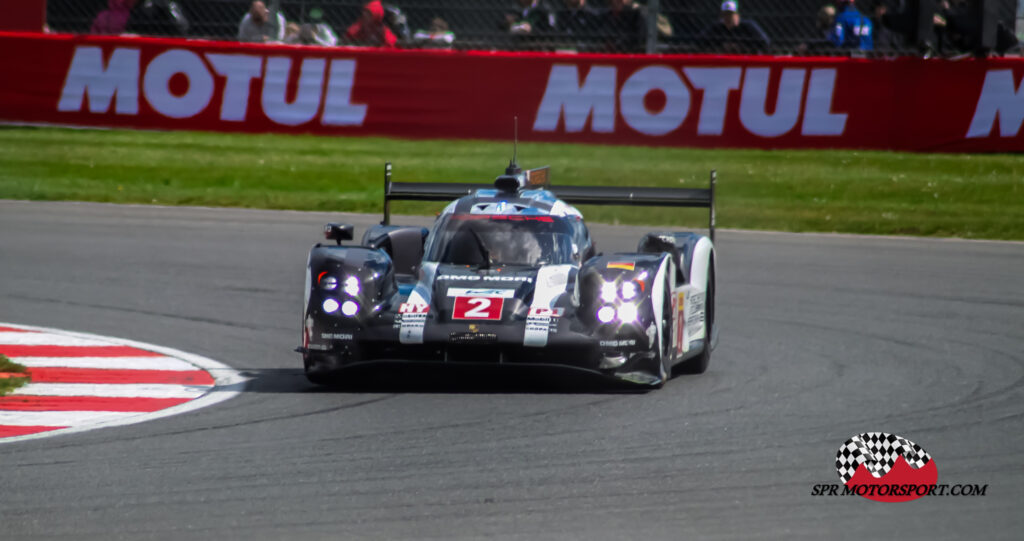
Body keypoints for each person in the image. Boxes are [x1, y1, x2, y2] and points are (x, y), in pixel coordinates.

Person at [697, 1, 770, 53]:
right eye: (725, 14)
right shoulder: (717, 27)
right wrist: (721, 48)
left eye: (730, 14)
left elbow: (765, 43)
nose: (727, 17)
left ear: (737, 15)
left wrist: (741, 48)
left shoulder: (748, 26)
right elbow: (700, 42)